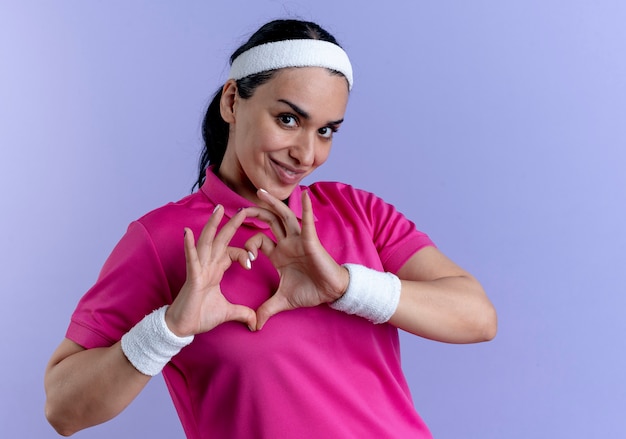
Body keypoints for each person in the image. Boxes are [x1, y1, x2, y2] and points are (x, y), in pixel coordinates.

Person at [44, 18, 497, 438]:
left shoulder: (356, 211)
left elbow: (478, 318)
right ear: (231, 101)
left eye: (326, 131)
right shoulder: (163, 241)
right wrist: (169, 328)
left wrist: (344, 285)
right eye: (288, 119)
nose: (306, 154)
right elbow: (62, 409)